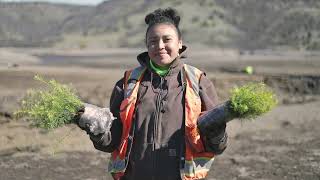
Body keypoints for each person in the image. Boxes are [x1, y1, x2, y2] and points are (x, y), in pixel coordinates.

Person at [78, 7, 228, 180]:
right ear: (147, 45)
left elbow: (216, 146)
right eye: (153, 41)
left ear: (180, 43)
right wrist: (97, 130)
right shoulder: (128, 83)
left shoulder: (198, 81)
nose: (160, 46)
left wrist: (217, 134)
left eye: (167, 39)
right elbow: (112, 142)